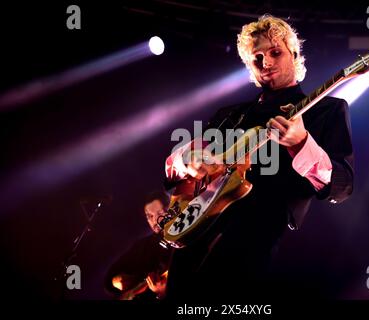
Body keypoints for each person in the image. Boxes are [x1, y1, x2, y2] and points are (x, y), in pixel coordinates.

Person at [163, 14, 354, 301]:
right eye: (257, 58)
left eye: (275, 52)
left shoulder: (326, 110)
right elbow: (174, 173)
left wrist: (302, 143)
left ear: (295, 54)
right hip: (196, 239)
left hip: (263, 246)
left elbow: (343, 185)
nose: (265, 62)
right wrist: (186, 160)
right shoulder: (229, 115)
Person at [104, 190, 173, 301]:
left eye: (160, 213)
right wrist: (115, 281)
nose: (155, 220)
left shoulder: (184, 240)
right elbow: (110, 277)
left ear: (172, 210)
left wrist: (162, 293)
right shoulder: (143, 245)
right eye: (149, 216)